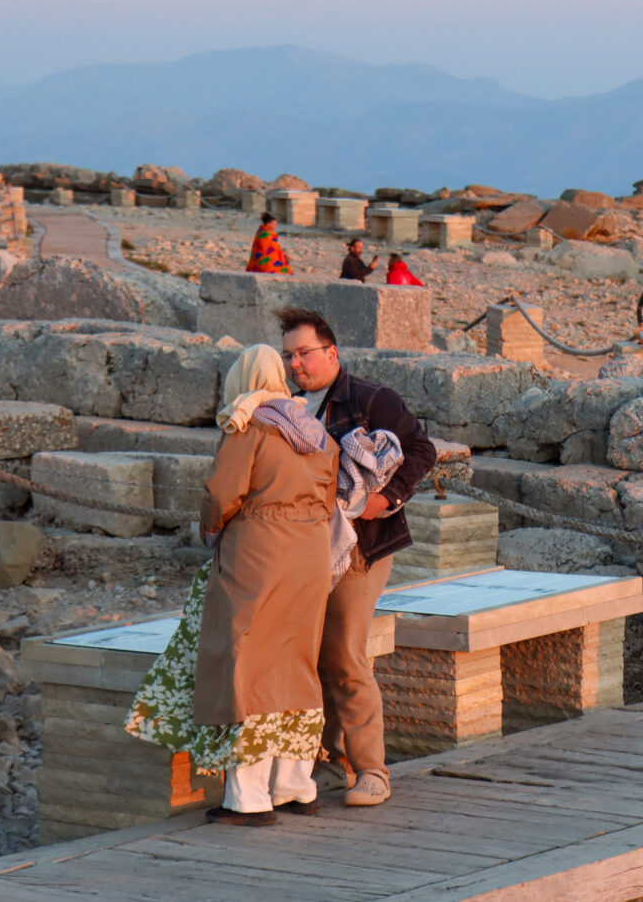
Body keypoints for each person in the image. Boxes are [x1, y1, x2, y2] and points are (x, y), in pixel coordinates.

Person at [126, 345, 339, 826]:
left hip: (259, 553)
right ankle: (296, 785)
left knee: (249, 667)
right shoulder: (314, 429)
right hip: (309, 555)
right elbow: (329, 495)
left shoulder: (251, 426)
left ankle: (248, 799)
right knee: (297, 663)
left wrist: (211, 526)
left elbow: (222, 493)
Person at [278, 308, 437, 807]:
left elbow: (421, 450)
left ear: (331, 353)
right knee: (310, 655)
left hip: (362, 548)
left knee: (345, 654)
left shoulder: (370, 399)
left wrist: (385, 500)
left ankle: (373, 771)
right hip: (306, 552)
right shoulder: (290, 406)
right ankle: (330, 762)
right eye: (288, 355)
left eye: (304, 353)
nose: (295, 363)